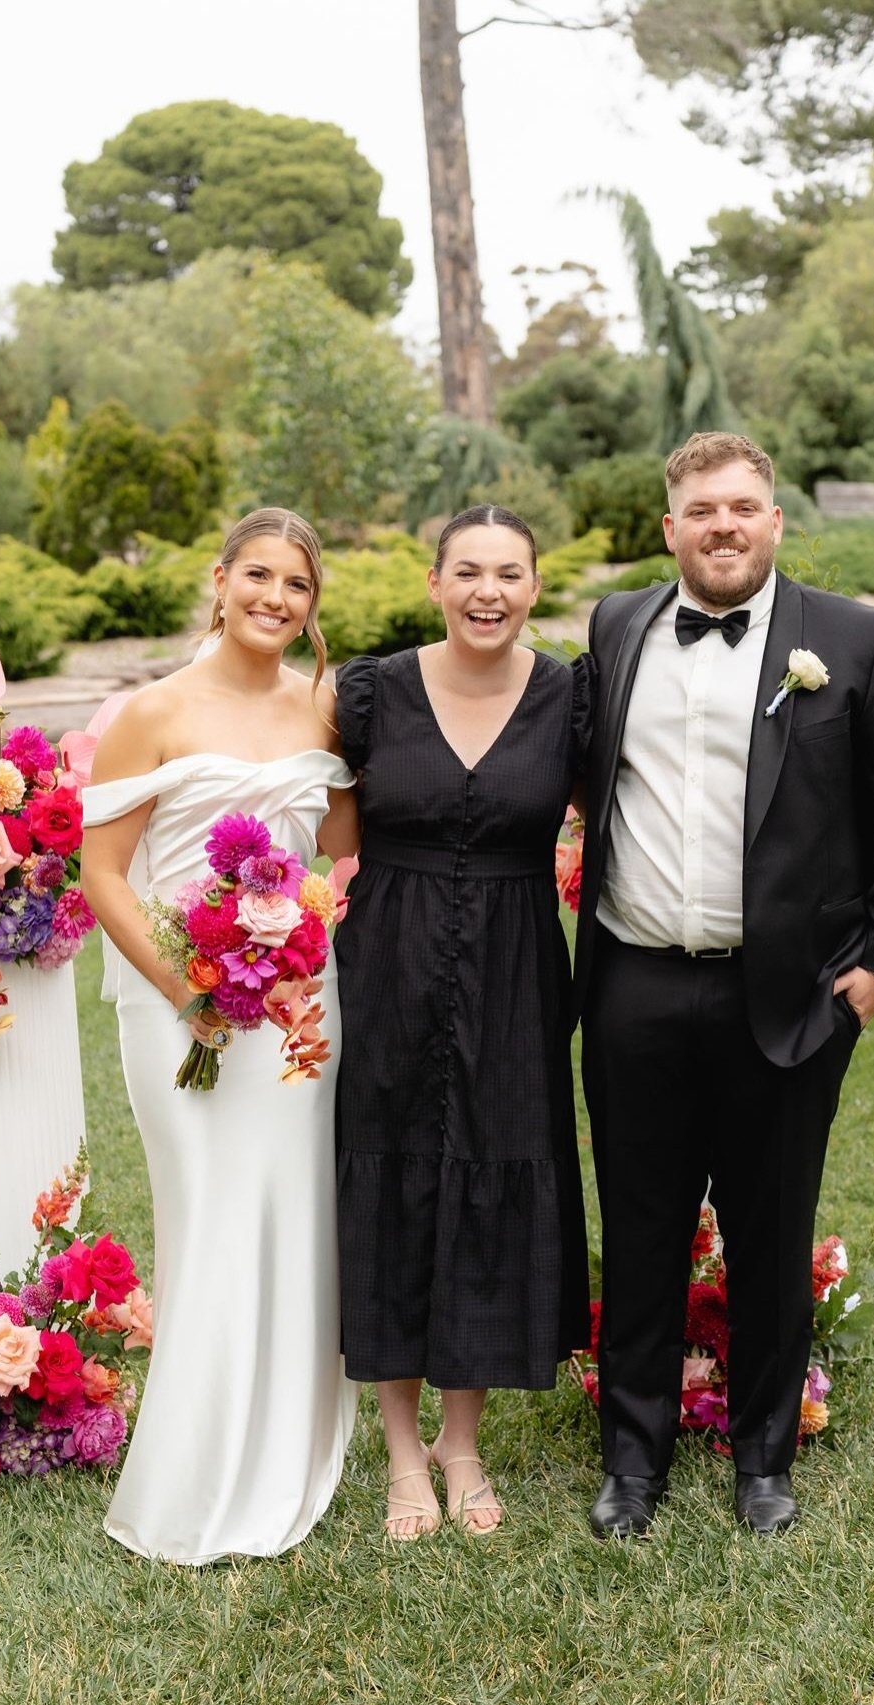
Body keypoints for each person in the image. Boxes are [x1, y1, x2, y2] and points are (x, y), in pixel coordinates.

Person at [576, 432, 874, 1540]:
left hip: (787, 999)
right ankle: (631, 1465)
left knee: (772, 1229)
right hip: (632, 983)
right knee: (639, 1229)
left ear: (775, 520)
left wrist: (873, 973)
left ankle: (763, 1461)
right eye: (702, 508)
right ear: (670, 526)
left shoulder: (854, 638)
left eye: (744, 506)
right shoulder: (617, 626)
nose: (724, 524)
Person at [80, 508, 358, 1563]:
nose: (275, 598)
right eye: (258, 575)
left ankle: (284, 1447)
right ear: (220, 578)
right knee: (205, 1213)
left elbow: (336, 852)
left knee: (287, 1214)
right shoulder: (150, 712)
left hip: (297, 1006)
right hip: (174, 1004)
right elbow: (103, 870)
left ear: (311, 604)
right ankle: (191, 1473)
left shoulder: (322, 713)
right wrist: (186, 987)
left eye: (297, 584)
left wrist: (299, 943)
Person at [334, 504, 592, 1539]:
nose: (490, 590)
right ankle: (402, 1451)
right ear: (435, 582)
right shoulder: (368, 691)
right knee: (394, 1176)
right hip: (386, 960)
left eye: (511, 573)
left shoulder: (572, 696)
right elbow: (298, 796)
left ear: (536, 586)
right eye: (470, 571)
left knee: (493, 1174)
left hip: (520, 964)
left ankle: (463, 1440)